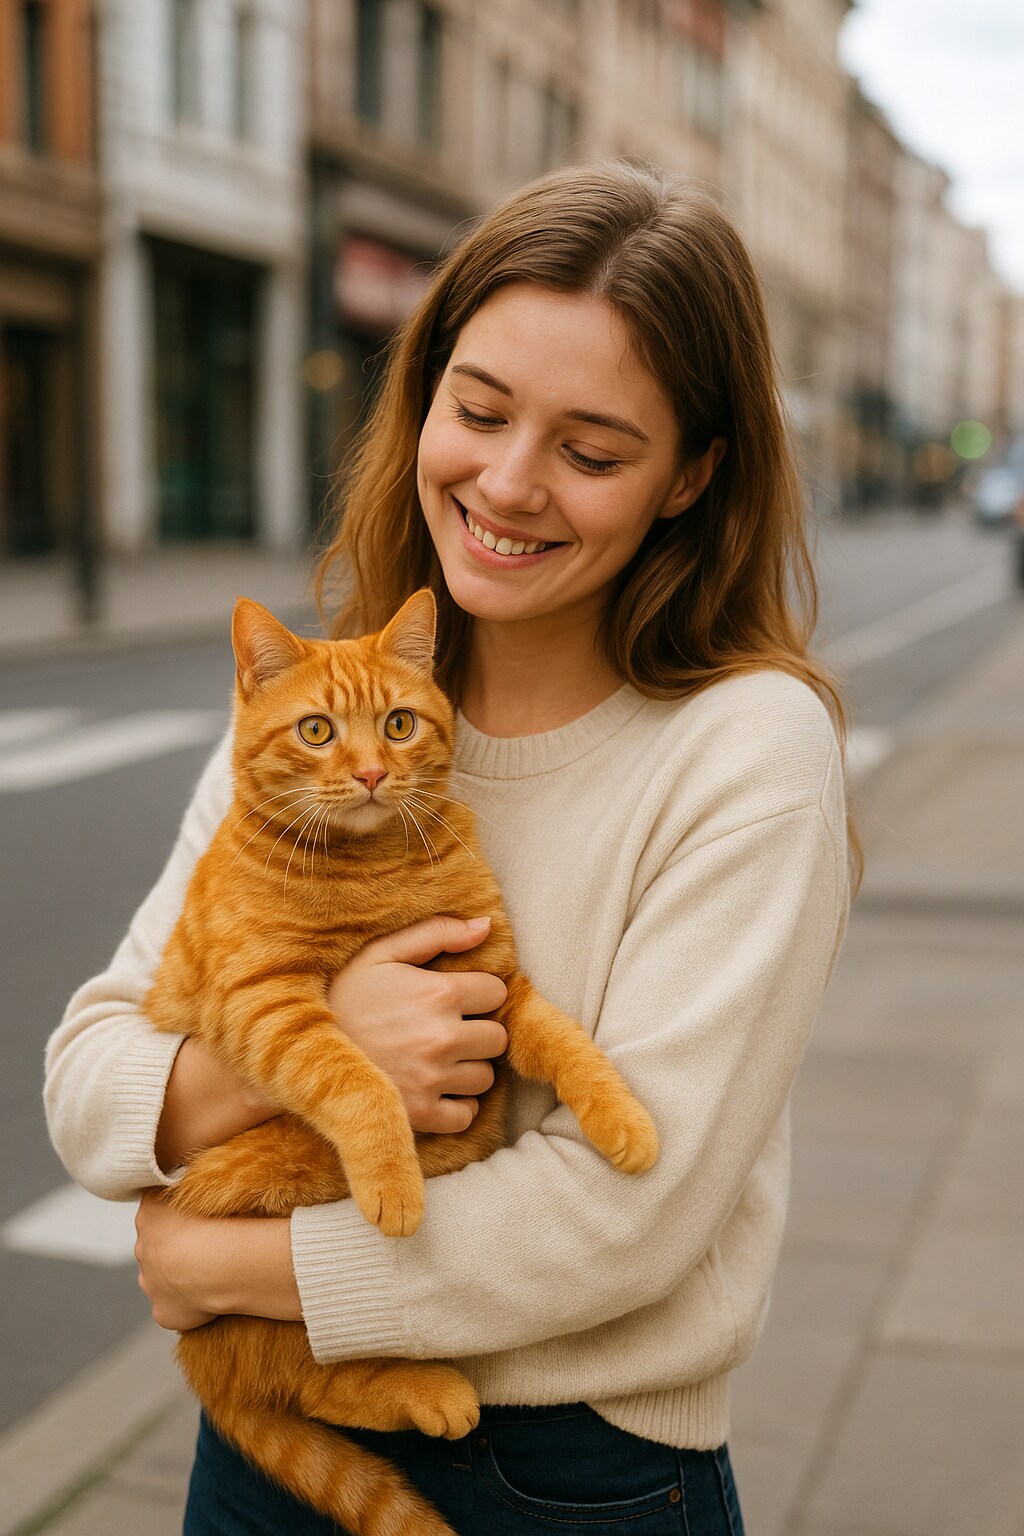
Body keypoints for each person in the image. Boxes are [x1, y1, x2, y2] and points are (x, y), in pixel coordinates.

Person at [45, 160, 854, 1536]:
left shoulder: (745, 747)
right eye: (477, 411)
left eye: (594, 453)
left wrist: (228, 1269)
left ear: (689, 477)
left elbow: (627, 1215)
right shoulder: (321, 712)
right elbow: (90, 1074)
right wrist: (303, 1046)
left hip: (570, 1476)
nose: (511, 482)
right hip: (263, 1449)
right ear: (422, 398)